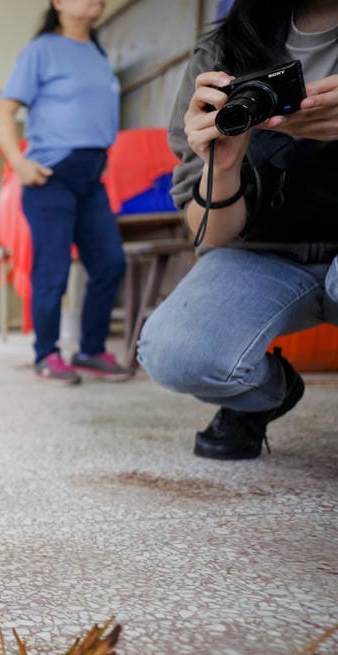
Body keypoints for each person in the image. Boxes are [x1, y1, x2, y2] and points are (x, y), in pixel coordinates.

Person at [137, 0, 338, 459]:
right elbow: (212, 232)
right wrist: (221, 167)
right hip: (261, 251)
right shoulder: (224, 49)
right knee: (176, 354)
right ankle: (267, 393)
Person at [0, 1, 136, 384]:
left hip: (90, 180)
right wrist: (19, 164)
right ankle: (47, 354)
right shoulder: (41, 50)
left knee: (109, 263)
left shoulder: (96, 51)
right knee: (52, 272)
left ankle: (90, 351)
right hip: (50, 177)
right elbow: (4, 112)